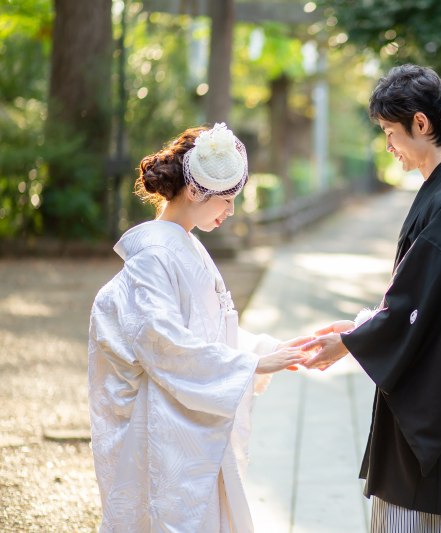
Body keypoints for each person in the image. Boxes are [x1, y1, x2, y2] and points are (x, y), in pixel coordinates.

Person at [302, 65, 441, 532]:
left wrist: (354, 342)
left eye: (391, 133)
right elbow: (425, 302)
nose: (389, 146)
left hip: (440, 425)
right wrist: (360, 329)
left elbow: (420, 306)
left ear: (421, 123)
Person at [88, 123, 311, 533]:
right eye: (225, 200)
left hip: (183, 418)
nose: (230, 211)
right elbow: (164, 343)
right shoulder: (155, 255)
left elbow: (205, 333)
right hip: (160, 427)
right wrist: (249, 365)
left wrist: (265, 351)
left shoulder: (185, 243)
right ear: (194, 192)